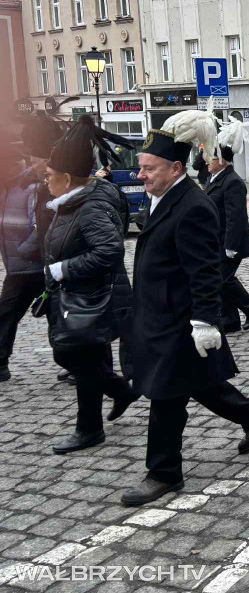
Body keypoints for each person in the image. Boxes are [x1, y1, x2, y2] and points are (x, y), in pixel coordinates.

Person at [124, 109, 249, 506]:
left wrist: (206, 321)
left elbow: (206, 271)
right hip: (158, 314)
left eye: (149, 169)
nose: (141, 176)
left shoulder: (193, 206)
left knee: (166, 397)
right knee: (202, 385)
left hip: (180, 319)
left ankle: (164, 473)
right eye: (140, 168)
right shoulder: (161, 197)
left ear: (176, 168)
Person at [42, 116, 140, 454]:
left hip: (95, 296)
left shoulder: (91, 206)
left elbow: (110, 250)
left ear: (67, 178)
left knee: (77, 357)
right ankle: (118, 393)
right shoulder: (75, 201)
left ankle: (90, 428)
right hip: (85, 296)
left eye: (49, 176)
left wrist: (62, 270)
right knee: (85, 359)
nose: (45, 181)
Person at [0, 112, 63, 382]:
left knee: (57, 316)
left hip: (39, 263)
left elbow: (43, 228)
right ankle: (0, 362)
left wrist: (26, 250)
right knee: (6, 314)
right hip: (18, 267)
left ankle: (71, 361)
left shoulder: (43, 187)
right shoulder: (13, 185)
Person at [206, 120, 249, 335]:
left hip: (230, 241)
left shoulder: (233, 182)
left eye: (211, 158)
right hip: (216, 240)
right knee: (221, 281)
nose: (207, 163)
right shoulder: (213, 179)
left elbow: (235, 217)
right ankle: (230, 320)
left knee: (223, 279)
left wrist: (230, 245)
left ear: (222, 160)